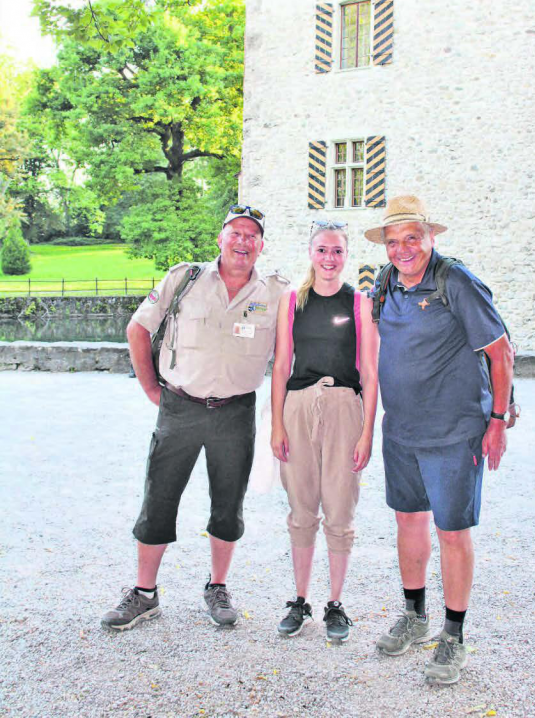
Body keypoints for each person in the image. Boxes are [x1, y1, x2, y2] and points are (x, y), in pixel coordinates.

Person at [101, 205, 289, 631]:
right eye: (235, 232)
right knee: (159, 498)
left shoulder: (275, 293)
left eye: (252, 235)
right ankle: (144, 594)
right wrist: (151, 388)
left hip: (235, 411)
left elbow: (286, 358)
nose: (243, 241)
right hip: (180, 407)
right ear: (220, 238)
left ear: (261, 245)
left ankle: (217, 588)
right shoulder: (184, 279)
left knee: (228, 504)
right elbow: (138, 328)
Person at [365, 194, 514, 684]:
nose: (403, 249)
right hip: (401, 431)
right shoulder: (386, 283)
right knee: (409, 522)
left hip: (454, 433)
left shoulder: (456, 281)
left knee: (451, 532)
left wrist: (495, 420)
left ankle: (453, 636)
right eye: (394, 241)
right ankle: (415, 616)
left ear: (430, 238)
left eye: (413, 238)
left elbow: (502, 354)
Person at [270, 221, 379, 643]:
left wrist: (367, 431)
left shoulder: (361, 303)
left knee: (339, 506)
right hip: (297, 407)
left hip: (343, 408)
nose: (329, 259)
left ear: (345, 255)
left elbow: (369, 371)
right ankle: (299, 600)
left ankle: (335, 603)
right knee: (301, 507)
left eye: (337, 251)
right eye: (322, 250)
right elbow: (281, 365)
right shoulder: (292, 301)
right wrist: (277, 421)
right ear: (310, 252)